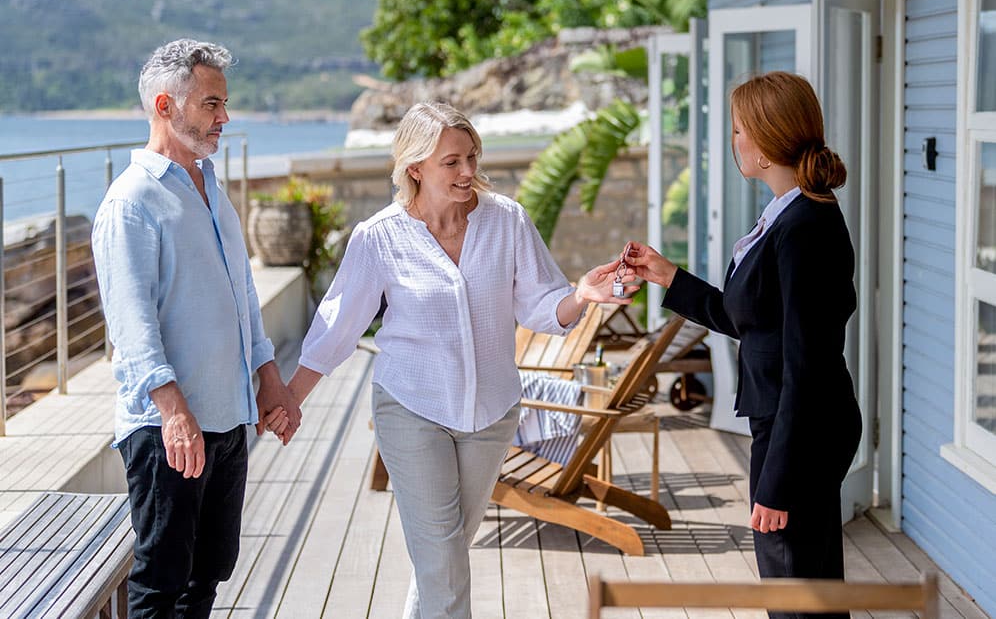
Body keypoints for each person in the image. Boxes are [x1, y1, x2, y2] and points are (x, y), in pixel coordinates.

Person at [284, 102, 636, 619]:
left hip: (491, 416)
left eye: (471, 157)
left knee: (442, 561)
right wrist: (290, 401)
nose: (469, 171)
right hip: (411, 410)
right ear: (415, 168)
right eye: (452, 161)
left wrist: (581, 294)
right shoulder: (380, 237)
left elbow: (541, 306)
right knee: (445, 568)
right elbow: (335, 330)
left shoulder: (507, 220)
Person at [623, 71, 862, 619]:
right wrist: (668, 276)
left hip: (797, 431)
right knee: (812, 588)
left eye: (738, 130)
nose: (734, 141)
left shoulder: (803, 228)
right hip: (794, 425)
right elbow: (754, 322)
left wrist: (776, 484)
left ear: (765, 140)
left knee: (795, 594)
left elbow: (808, 365)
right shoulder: (789, 213)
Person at [91, 38, 301, 618]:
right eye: (211, 104)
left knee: (206, 576)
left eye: (224, 103)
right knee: (161, 583)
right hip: (169, 430)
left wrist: (269, 377)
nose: (224, 117)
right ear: (165, 106)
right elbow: (131, 327)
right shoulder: (131, 202)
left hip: (227, 417)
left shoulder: (212, 188)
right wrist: (173, 411)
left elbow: (242, 299)